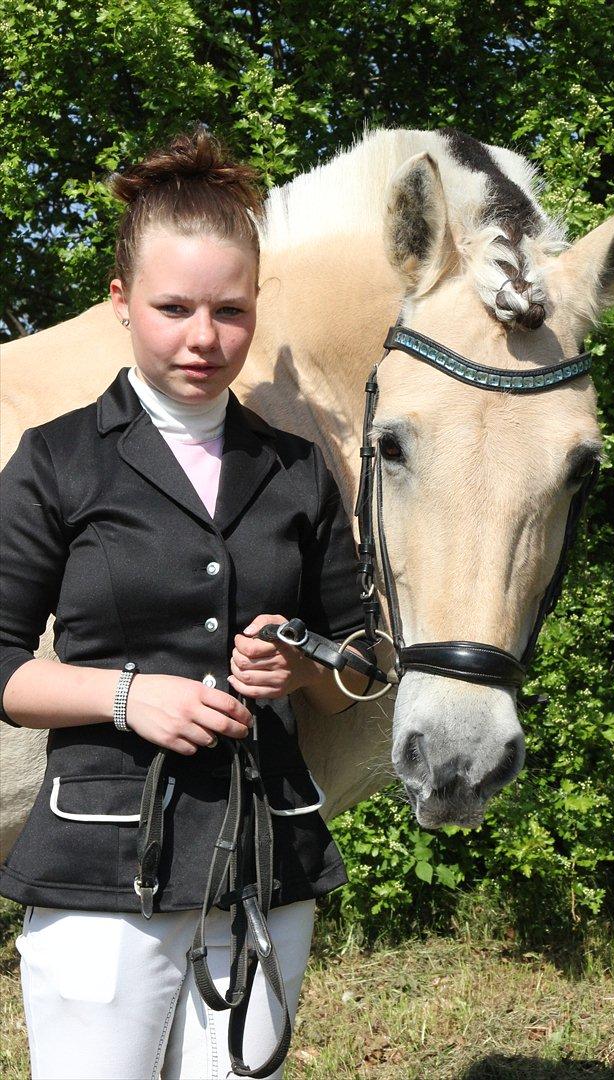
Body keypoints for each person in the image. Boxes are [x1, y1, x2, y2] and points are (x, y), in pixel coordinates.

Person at [0, 126, 373, 1080]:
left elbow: (362, 663)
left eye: (229, 311)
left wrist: (303, 664)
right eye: (172, 308)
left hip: (266, 860)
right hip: (98, 864)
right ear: (121, 302)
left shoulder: (297, 470)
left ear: (256, 309)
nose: (203, 339)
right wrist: (130, 697)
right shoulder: (55, 459)